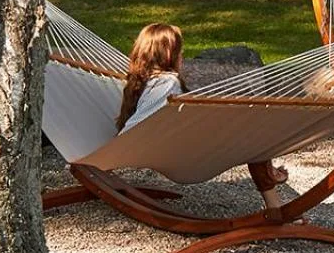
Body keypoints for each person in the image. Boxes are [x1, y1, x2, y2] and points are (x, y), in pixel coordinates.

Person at [115, 21, 288, 186]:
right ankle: (272, 200)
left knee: (244, 125)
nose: (182, 56)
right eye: (179, 51)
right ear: (169, 55)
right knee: (252, 127)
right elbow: (133, 130)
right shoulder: (167, 83)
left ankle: (269, 182)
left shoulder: (141, 80)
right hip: (178, 155)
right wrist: (116, 152)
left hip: (170, 146)